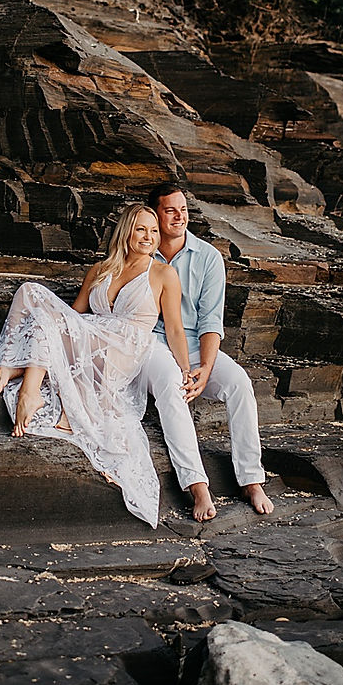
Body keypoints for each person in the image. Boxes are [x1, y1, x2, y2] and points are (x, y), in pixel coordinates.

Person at [0, 204, 193, 527]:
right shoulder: (100, 270)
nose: (149, 237)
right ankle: (15, 366)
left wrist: (185, 370)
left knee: (48, 321)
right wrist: (53, 327)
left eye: (154, 231)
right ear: (126, 231)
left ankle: (23, 379)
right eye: (141, 229)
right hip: (92, 335)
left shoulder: (162, 274)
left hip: (124, 350)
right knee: (29, 293)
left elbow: (174, 328)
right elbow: (73, 317)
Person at [132, 183, 274, 522]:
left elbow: (211, 321)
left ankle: (251, 480)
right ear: (155, 214)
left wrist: (206, 369)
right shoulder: (140, 254)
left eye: (183, 209)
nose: (180, 216)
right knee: (172, 386)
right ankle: (197, 486)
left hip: (195, 345)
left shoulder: (208, 257)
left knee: (239, 382)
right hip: (151, 342)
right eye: (170, 210)